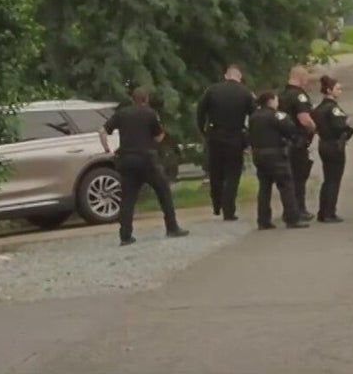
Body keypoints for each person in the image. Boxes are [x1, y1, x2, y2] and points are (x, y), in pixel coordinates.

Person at [98, 87, 187, 246]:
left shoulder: (121, 113)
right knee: (163, 191)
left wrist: (107, 150)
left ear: (132, 99)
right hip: (147, 160)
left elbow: (102, 131)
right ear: (146, 99)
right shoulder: (150, 113)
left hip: (127, 160)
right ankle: (172, 227)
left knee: (128, 199)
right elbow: (159, 138)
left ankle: (125, 236)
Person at [195, 64, 256, 221]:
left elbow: (200, 111)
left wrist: (203, 131)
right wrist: (249, 138)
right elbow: (254, 117)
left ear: (226, 76)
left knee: (215, 171)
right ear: (239, 77)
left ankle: (217, 205)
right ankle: (229, 210)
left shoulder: (212, 90)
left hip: (215, 135)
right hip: (235, 136)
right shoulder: (245, 93)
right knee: (232, 174)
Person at [246, 91, 309, 231]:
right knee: (286, 186)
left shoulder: (254, 116)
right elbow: (290, 129)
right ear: (271, 101)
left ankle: (263, 220)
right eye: (276, 100)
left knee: (264, 188)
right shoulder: (277, 115)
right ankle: (292, 218)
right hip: (275, 154)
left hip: (258, 153)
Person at [312, 75, 353, 223]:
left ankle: (323, 211)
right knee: (334, 180)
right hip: (334, 144)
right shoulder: (333, 108)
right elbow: (339, 126)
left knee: (327, 179)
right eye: (337, 89)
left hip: (323, 143)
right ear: (329, 90)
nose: (340, 91)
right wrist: (347, 125)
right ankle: (330, 212)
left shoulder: (318, 108)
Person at [279, 65, 317, 222]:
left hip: (285, 141)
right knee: (299, 178)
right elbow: (304, 119)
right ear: (300, 77)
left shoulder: (282, 95)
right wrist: (314, 127)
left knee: (289, 179)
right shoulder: (299, 95)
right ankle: (299, 209)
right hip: (298, 142)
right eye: (306, 78)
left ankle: (289, 209)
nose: (307, 81)